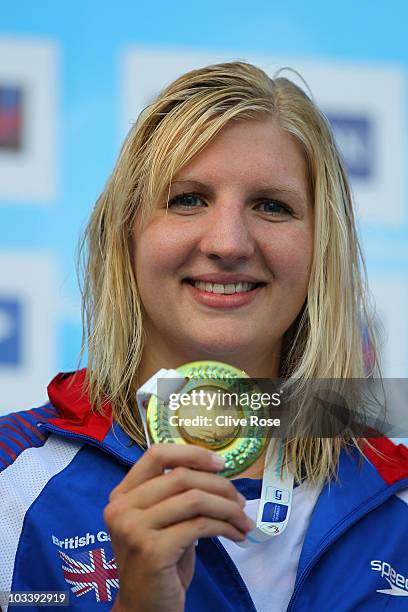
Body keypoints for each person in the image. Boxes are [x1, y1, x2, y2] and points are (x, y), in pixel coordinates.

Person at [1, 61, 407, 612]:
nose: (229, 242)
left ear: (321, 249)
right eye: (187, 199)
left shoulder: (395, 499)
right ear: (126, 235)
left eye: (272, 205)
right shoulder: (13, 477)